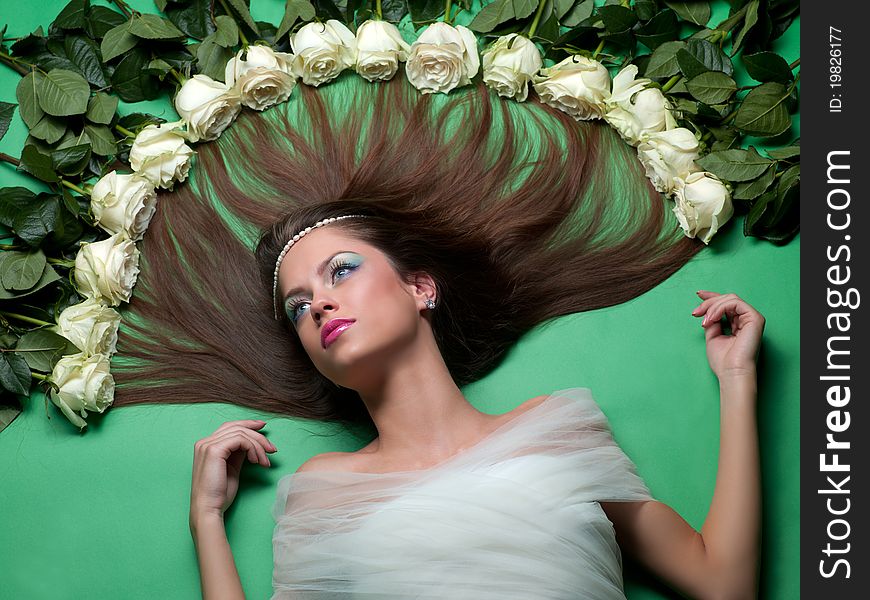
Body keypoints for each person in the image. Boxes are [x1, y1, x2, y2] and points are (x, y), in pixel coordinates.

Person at [188, 203, 764, 599]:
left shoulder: (554, 428)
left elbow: (722, 584)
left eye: (341, 271)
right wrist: (207, 521)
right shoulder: (326, 492)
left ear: (420, 288)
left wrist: (737, 380)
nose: (318, 306)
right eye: (298, 306)